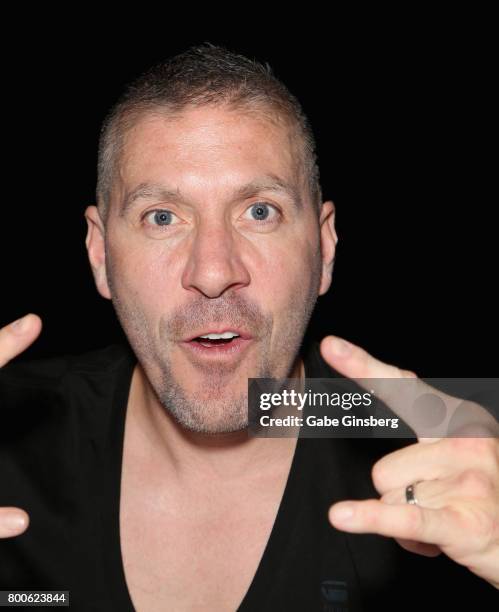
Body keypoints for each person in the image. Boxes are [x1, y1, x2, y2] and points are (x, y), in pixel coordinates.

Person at [0, 43, 497, 611]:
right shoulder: (12, 432)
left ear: (325, 247)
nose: (214, 273)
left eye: (259, 211)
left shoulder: (451, 451)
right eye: (162, 217)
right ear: (99, 254)